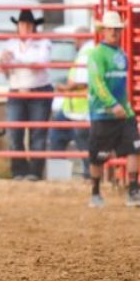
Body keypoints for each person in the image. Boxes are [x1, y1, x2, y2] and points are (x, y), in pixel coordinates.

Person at [87, 11, 140, 208]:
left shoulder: (121, 54)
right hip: (102, 112)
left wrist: (124, 106)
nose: (114, 32)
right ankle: (95, 193)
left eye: (117, 29)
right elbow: (97, 83)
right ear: (103, 31)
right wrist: (112, 104)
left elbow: (120, 85)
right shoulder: (97, 54)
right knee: (97, 156)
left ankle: (133, 191)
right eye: (111, 29)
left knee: (135, 147)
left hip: (122, 112)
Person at [0, 10, 52, 181]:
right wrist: (3, 59)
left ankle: (34, 172)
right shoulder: (11, 44)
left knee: (38, 133)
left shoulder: (42, 43)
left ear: (33, 27)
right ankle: (19, 171)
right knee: (15, 132)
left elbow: (41, 62)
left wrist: (13, 60)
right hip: (19, 91)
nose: (25, 28)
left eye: (28, 25)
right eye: (22, 25)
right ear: (18, 27)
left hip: (37, 90)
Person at [49, 36, 93, 180]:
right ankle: (61, 176)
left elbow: (82, 82)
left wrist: (64, 88)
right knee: (60, 138)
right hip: (73, 108)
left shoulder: (86, 52)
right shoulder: (89, 51)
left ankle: (60, 176)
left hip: (81, 109)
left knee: (81, 143)